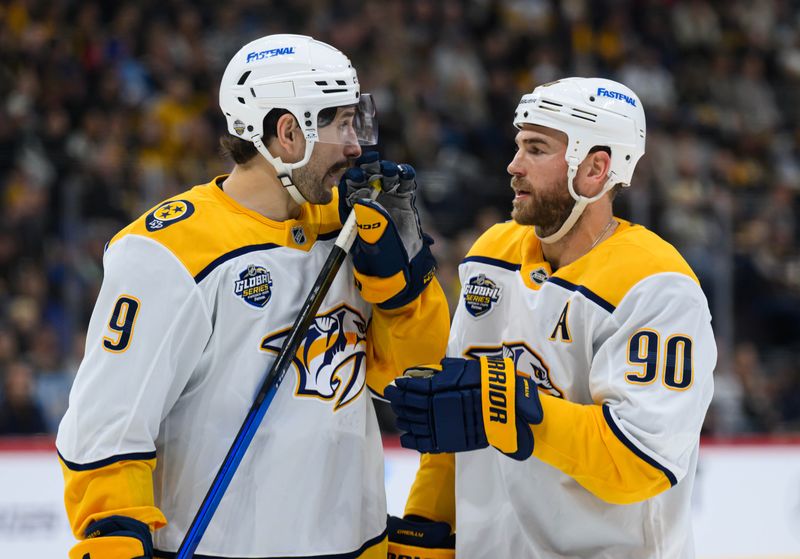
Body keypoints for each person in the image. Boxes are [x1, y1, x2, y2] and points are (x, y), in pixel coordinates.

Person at [55, 34, 449, 559]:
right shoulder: (168, 251)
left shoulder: (354, 228)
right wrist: (114, 529)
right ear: (289, 133)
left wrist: (404, 293)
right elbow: (108, 421)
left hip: (356, 547)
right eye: (341, 124)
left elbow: (412, 384)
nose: (358, 146)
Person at [385, 78, 716, 558]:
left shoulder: (657, 286)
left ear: (595, 168)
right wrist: (427, 523)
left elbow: (641, 463)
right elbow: (453, 422)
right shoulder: (492, 254)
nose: (513, 165)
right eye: (518, 145)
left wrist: (513, 410)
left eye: (536, 149)